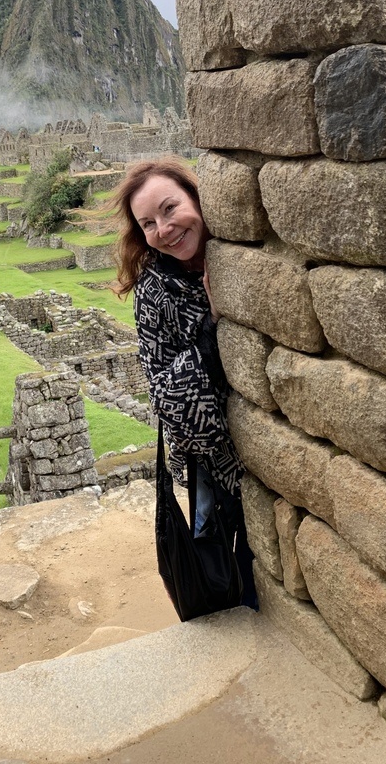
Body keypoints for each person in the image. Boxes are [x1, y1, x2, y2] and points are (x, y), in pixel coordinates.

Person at [110, 156, 257, 609]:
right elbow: (165, 397)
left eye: (170, 209)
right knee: (243, 576)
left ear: (197, 196)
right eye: (149, 223)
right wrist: (213, 329)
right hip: (220, 467)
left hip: (280, 443)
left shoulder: (246, 253)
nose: (164, 229)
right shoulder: (155, 293)